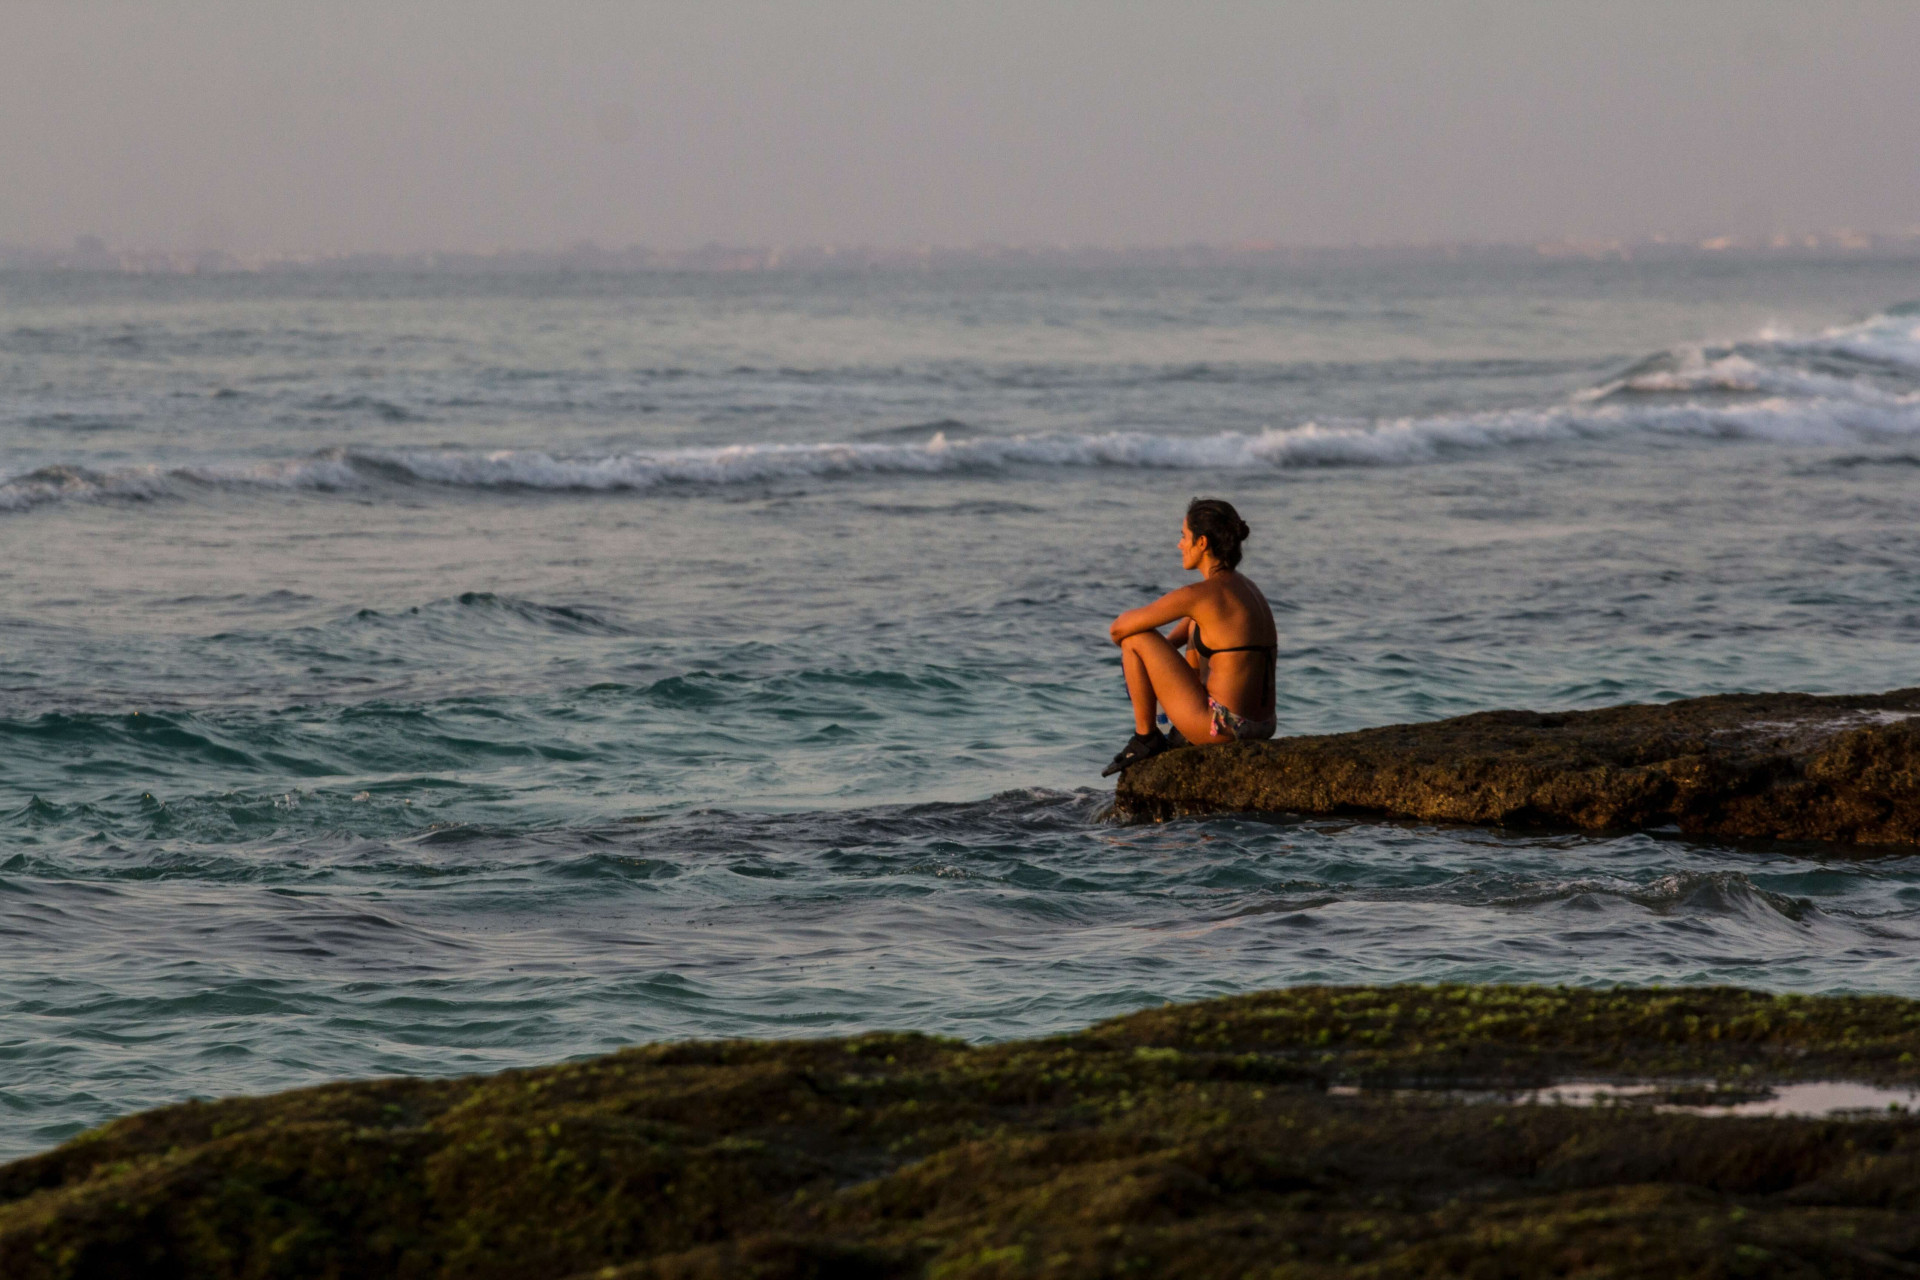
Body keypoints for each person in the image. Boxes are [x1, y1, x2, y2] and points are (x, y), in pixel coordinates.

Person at [1102, 498, 1278, 776]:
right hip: (1264, 724)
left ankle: (1145, 739)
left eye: (1184, 537)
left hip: (1226, 727)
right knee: (1186, 636)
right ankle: (1176, 734)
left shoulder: (1199, 596)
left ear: (1202, 543)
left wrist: (1139, 655)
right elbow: (1171, 646)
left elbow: (1118, 629)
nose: (1179, 545)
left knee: (1136, 639)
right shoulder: (1247, 589)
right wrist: (1155, 666)